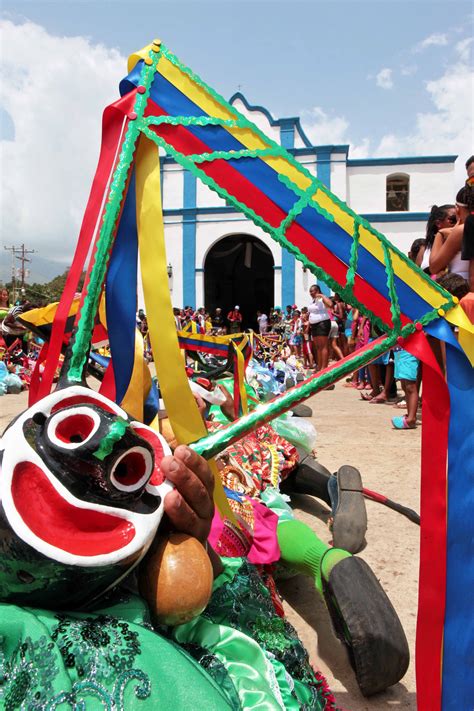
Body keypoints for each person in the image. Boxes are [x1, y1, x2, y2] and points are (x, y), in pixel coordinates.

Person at [430, 186, 472, 280]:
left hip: (463, 288)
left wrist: (439, 235)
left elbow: (434, 267)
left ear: (457, 209)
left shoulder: (460, 231)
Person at [417, 204, 456, 274]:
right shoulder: (425, 249)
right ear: (438, 223)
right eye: (453, 219)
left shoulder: (462, 244)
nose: (459, 223)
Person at [308, 284, 332, 371]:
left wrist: (321, 295)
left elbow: (330, 304)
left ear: (317, 291)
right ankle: (319, 366)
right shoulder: (313, 301)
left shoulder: (322, 299)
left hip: (322, 324)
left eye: (312, 291)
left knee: (323, 346)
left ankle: (324, 368)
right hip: (314, 325)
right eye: (310, 291)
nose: (310, 293)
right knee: (318, 347)